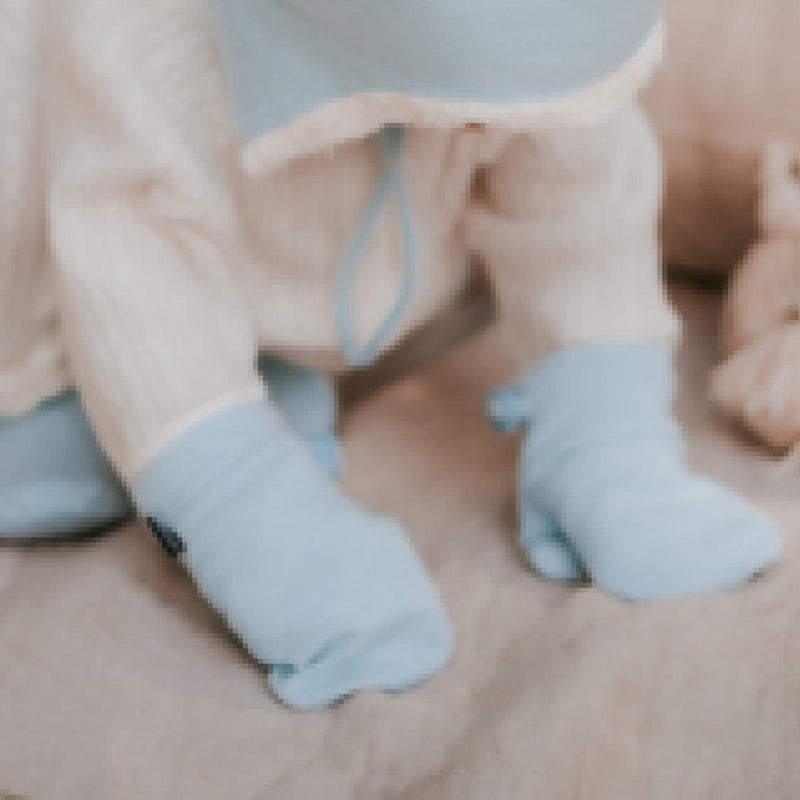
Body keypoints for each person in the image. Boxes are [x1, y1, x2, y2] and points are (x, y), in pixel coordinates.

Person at [0, 0, 780, 710]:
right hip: (49, 296)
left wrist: (606, 432)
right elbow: (135, 270)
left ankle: (256, 373)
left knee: (558, 125)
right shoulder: (145, 37)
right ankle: (65, 409)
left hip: (283, 289)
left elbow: (579, 181)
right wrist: (239, 499)